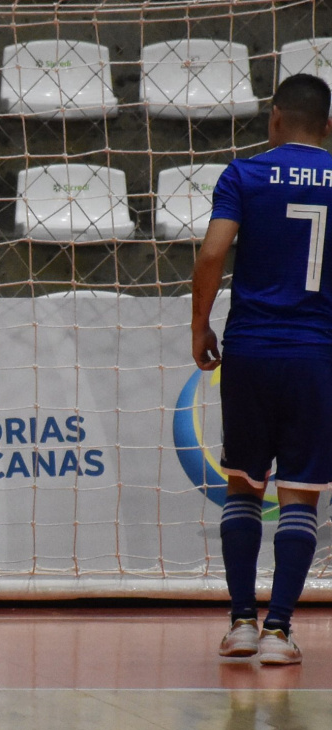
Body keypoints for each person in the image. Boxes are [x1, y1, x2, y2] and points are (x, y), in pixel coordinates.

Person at [191, 72, 332, 666]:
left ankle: (242, 623)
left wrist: (199, 326)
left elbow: (212, 253)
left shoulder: (243, 174)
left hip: (249, 349)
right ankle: (279, 632)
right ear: (328, 126)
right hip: (315, 353)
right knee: (300, 495)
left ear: (274, 118)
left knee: (244, 483)